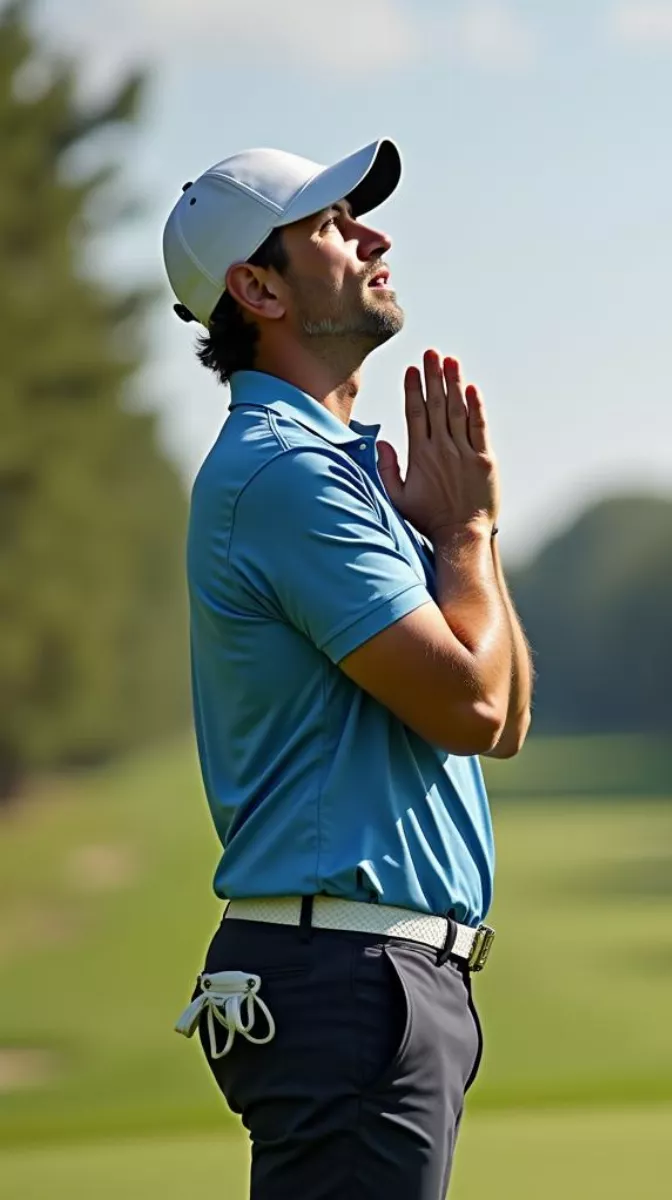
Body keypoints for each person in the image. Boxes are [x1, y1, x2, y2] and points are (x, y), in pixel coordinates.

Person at [162, 137, 533, 1200]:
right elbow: (471, 701)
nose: (370, 235)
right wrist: (465, 535)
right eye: (327, 225)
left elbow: (501, 717)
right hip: (347, 982)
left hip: (374, 979)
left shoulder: (345, 474)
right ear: (256, 288)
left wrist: (471, 534)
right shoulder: (285, 477)